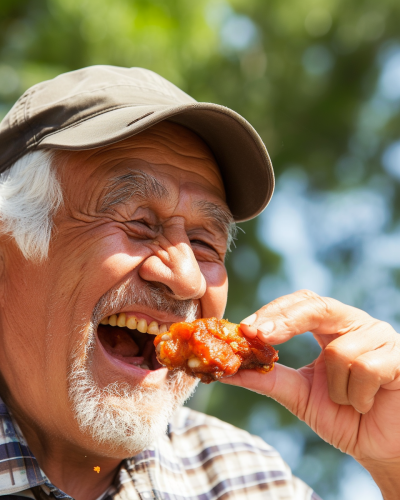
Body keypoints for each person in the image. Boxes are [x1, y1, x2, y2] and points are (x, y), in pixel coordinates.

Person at [0, 66, 398, 500]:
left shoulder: (249, 483)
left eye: (205, 242)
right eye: (139, 222)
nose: (188, 280)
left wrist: (393, 464)